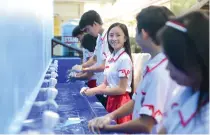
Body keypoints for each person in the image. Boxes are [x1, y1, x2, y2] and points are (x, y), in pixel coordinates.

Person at [88, 6, 181, 134]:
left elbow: (146, 124)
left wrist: (109, 128)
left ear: (143, 33)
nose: (113, 39)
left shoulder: (160, 71)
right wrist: (109, 116)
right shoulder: (153, 64)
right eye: (111, 35)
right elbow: (135, 101)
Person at [157, 11, 209, 134]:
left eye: (171, 60)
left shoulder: (206, 124)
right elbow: (165, 128)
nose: (167, 68)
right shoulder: (186, 93)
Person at [81, 23, 133, 124]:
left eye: (118, 35)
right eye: (111, 35)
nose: (114, 38)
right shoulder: (109, 58)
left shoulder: (124, 59)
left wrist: (97, 91)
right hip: (111, 100)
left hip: (121, 103)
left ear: (125, 38)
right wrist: (91, 90)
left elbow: (121, 89)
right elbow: (105, 84)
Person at [75, 10, 111, 107]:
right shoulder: (99, 38)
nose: (87, 33)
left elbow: (105, 66)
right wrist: (81, 66)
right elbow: (94, 59)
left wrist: (84, 69)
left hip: (109, 85)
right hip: (101, 84)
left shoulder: (109, 38)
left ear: (95, 24)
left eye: (87, 29)